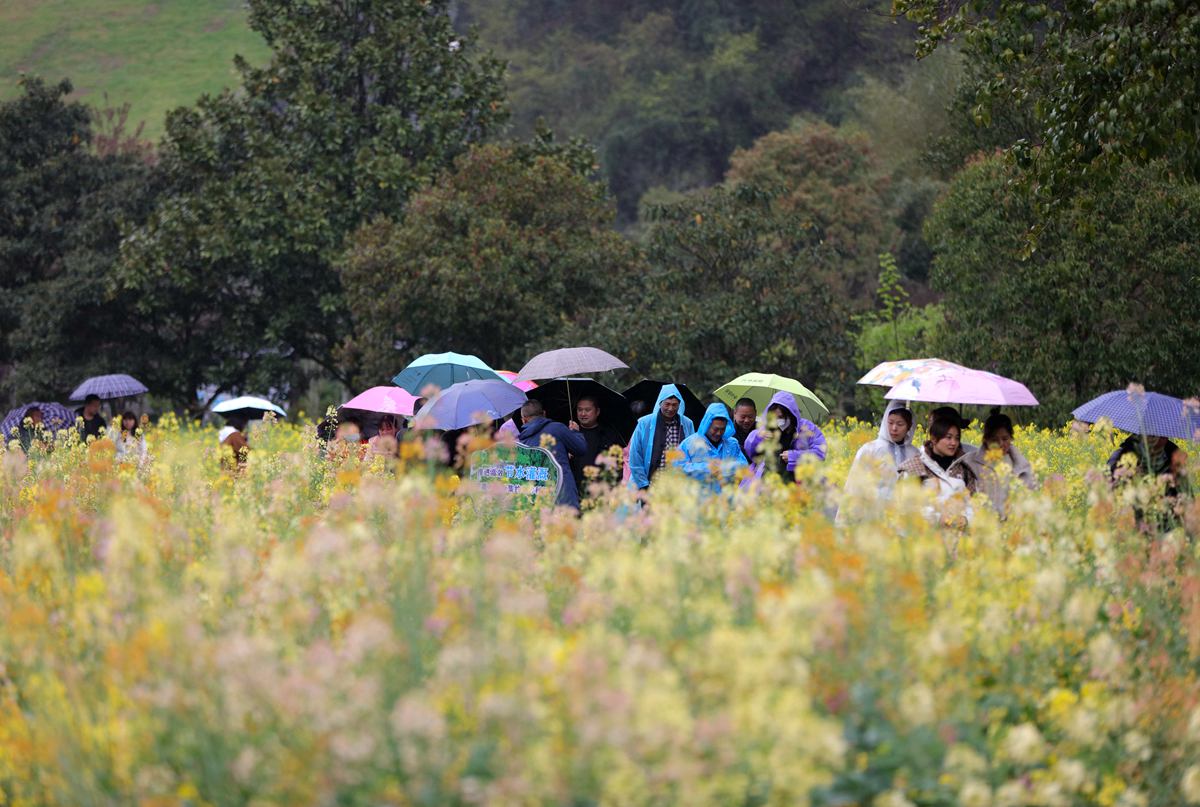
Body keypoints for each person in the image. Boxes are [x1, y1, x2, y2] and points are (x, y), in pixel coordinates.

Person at [836, 402, 919, 523]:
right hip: (871, 519)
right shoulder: (870, 450)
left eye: (900, 424)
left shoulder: (915, 454)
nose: (894, 428)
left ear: (909, 426)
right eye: (890, 423)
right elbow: (853, 486)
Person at [898, 416, 977, 524]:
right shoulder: (914, 467)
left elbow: (974, 504)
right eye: (948, 437)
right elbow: (906, 506)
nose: (953, 443)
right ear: (934, 439)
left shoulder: (964, 470)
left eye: (957, 438)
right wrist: (937, 518)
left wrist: (966, 520)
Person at [963, 411, 1036, 518]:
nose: (1001, 444)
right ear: (985, 440)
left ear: (1011, 438)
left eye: (1005, 439)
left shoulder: (1022, 466)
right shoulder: (969, 462)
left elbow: (1031, 500)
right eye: (994, 440)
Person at [518, 399, 588, 509]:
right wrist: (575, 432)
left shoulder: (521, 443)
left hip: (538, 499)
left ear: (524, 420)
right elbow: (581, 448)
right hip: (564, 494)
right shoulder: (557, 428)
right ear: (544, 413)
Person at [743, 391, 826, 483]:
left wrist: (794, 457)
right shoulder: (767, 427)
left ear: (791, 415)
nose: (777, 421)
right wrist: (758, 437)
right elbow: (749, 450)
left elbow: (820, 453)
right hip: (767, 480)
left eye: (781, 417)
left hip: (798, 481)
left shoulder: (806, 428)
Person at [627, 384, 695, 491]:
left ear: (679, 405)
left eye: (674, 405)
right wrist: (643, 485)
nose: (670, 408)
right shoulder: (644, 423)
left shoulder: (687, 424)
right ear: (660, 403)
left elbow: (692, 454)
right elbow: (635, 456)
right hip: (649, 484)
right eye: (667, 404)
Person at [675, 402, 748, 493]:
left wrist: (724, 467)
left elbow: (743, 466)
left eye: (722, 429)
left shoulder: (732, 444)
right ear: (707, 424)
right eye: (715, 429)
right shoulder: (689, 444)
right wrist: (706, 468)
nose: (719, 433)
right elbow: (677, 468)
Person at [569, 396, 625, 494]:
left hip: (602, 491)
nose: (583, 414)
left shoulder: (609, 434)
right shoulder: (570, 433)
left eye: (587, 410)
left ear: (597, 411)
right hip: (575, 491)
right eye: (579, 410)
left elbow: (618, 464)